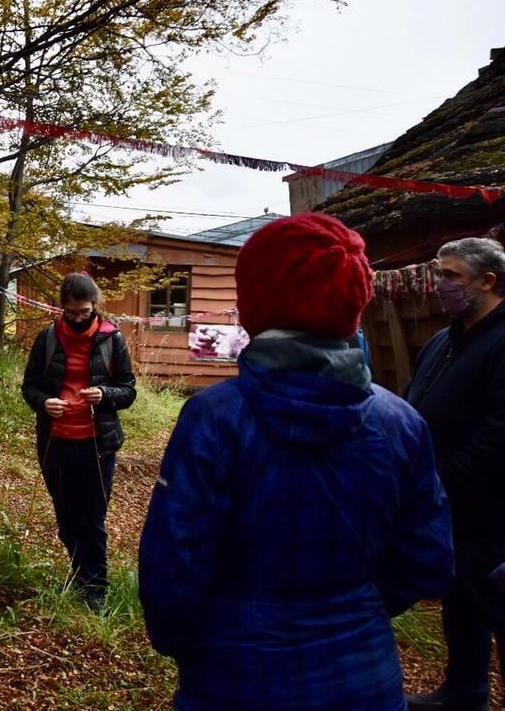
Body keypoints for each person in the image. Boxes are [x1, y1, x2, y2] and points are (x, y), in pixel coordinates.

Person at [138, 213, 454, 711]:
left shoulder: (217, 418)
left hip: (236, 678)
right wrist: (356, 609)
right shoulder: (402, 421)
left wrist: (196, 644)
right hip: (366, 676)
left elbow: (174, 570)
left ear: (257, 300)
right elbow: (429, 562)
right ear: (357, 299)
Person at [405, 237, 505, 711]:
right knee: (460, 597)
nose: (439, 285)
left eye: (451, 276)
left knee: (495, 600)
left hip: (491, 507)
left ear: (488, 281)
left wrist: (441, 483)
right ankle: (465, 692)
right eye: (438, 274)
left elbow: (499, 434)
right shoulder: (443, 341)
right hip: (449, 507)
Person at [21, 272, 136, 609]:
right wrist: (43, 402)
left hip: (97, 444)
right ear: (62, 308)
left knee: (92, 519)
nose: (76, 318)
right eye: (70, 312)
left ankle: (96, 591)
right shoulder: (48, 338)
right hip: (55, 442)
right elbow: (29, 387)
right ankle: (79, 577)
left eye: (83, 312)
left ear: (95, 307)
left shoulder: (112, 339)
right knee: (67, 516)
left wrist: (104, 394)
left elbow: (128, 390)